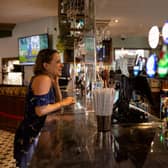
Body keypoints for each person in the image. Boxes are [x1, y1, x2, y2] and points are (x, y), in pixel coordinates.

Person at [14, 49, 75, 167]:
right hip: (32, 136)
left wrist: (56, 82)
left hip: (34, 133)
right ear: (46, 65)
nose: (61, 65)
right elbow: (40, 110)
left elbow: (57, 101)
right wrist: (64, 103)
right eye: (57, 62)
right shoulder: (43, 79)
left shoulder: (46, 78)